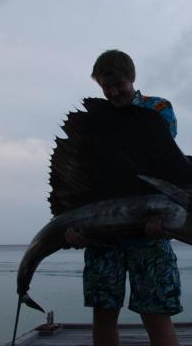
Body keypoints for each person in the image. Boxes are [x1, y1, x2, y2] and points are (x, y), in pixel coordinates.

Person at [65, 49, 181, 346]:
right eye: (106, 88)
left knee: (156, 314)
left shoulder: (158, 109)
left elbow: (162, 162)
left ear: (132, 78)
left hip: (149, 226)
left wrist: (164, 222)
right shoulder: (96, 121)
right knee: (104, 313)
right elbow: (85, 176)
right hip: (105, 232)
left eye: (120, 85)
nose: (114, 92)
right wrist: (79, 226)